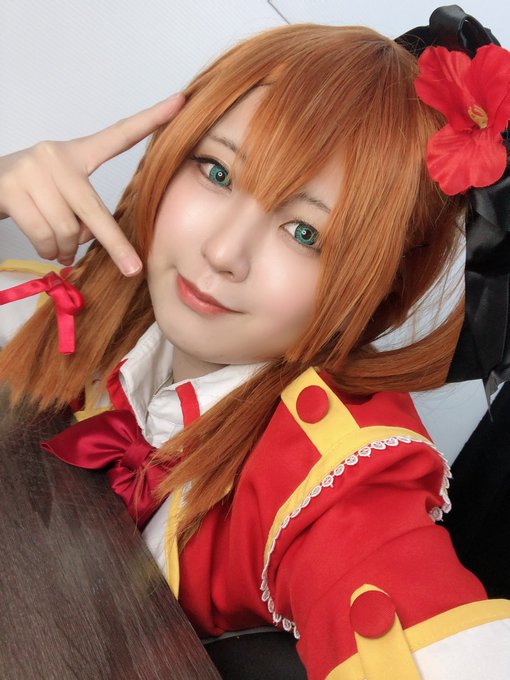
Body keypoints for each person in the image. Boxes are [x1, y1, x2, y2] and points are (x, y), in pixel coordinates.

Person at [1, 17, 510, 680]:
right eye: (217, 171)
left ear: (378, 289)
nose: (222, 252)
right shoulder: (97, 300)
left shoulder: (336, 474)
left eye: (304, 233)